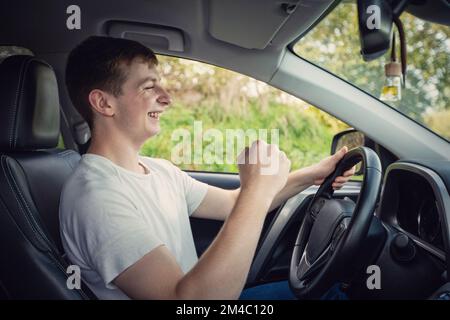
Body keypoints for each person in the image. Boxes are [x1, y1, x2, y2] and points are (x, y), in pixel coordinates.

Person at [59, 36, 355, 300]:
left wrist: (313, 175)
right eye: (149, 87)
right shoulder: (96, 198)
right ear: (103, 103)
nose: (167, 97)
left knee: (329, 288)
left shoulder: (157, 169)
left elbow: (232, 204)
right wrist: (256, 189)